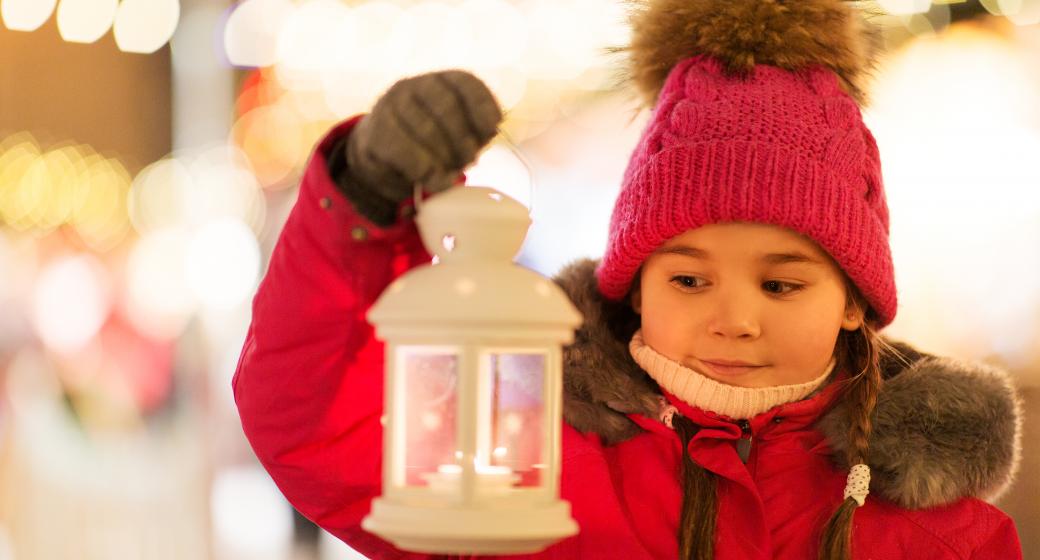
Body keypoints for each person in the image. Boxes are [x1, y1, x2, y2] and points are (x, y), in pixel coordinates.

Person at [232, 0, 1023, 558]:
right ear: (635, 284)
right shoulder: (526, 466)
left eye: (780, 285)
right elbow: (314, 422)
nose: (734, 320)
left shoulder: (939, 534)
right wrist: (363, 201)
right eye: (688, 280)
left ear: (854, 300)